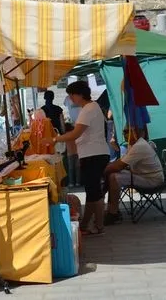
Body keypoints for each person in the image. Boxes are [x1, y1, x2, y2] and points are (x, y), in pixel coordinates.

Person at [51, 80, 111, 235]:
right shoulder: (92, 107)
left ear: (79, 94)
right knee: (92, 192)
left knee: (94, 192)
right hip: (95, 153)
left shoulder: (88, 109)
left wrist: (55, 139)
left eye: (71, 95)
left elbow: (76, 133)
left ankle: (99, 226)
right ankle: (87, 225)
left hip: (93, 154)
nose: (71, 99)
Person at [104, 125, 164, 224]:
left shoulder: (139, 146)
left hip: (152, 180)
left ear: (137, 132)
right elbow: (120, 163)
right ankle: (112, 209)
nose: (124, 134)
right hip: (145, 175)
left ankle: (113, 213)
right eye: (123, 131)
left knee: (114, 177)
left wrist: (102, 171)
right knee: (113, 174)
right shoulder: (134, 145)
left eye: (127, 131)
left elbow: (118, 166)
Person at [63, 122, 80, 188]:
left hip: (69, 153)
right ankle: (78, 182)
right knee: (77, 168)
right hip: (77, 152)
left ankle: (71, 183)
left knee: (70, 169)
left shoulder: (65, 135)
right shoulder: (74, 134)